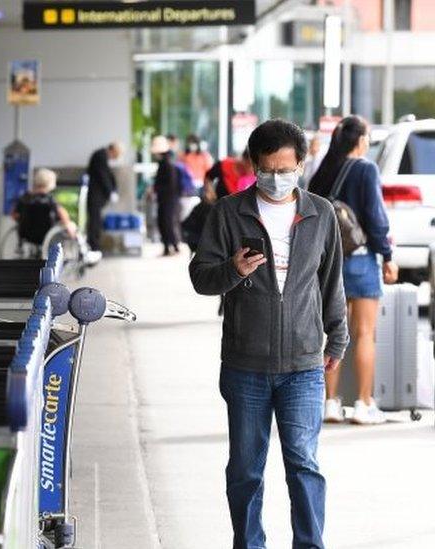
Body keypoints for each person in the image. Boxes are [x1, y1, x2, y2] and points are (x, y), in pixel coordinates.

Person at [189, 119, 348, 549]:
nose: (276, 179)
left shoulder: (320, 214)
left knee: (304, 464)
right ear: (253, 165)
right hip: (245, 365)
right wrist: (232, 269)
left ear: (301, 164)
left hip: (303, 365)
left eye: (285, 169)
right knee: (245, 469)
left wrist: (337, 339)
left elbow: (331, 281)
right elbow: (200, 277)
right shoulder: (227, 212)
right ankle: (249, 543)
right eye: (268, 169)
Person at [308, 115, 398, 425]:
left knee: (333, 333)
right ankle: (363, 403)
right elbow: (375, 218)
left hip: (327, 261)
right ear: (361, 141)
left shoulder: (323, 172)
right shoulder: (365, 169)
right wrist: (387, 255)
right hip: (360, 259)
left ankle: (330, 404)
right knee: (363, 333)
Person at [12, 167, 76, 247]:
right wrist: (68, 224)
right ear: (50, 183)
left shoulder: (25, 198)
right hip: (47, 235)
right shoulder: (50, 200)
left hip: (26, 235)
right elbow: (63, 215)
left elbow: (14, 215)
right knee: (71, 225)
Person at [85, 141, 120, 251]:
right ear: (113, 150)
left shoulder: (102, 156)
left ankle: (94, 245)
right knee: (95, 221)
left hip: (97, 195)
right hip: (95, 195)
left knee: (96, 221)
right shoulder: (100, 156)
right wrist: (110, 192)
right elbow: (103, 175)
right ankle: (93, 247)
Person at [151, 135, 181, 256]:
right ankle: (170, 246)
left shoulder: (167, 163)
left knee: (166, 222)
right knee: (165, 222)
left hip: (167, 199)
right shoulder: (167, 161)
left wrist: (156, 189)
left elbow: (170, 184)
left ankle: (172, 246)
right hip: (167, 198)